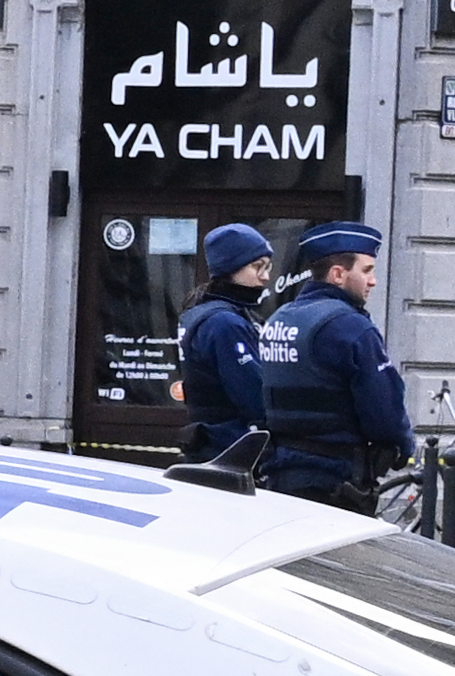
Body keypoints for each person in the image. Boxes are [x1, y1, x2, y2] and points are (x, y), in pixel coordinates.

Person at [249, 216, 415, 510]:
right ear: (338, 274)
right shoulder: (349, 326)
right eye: (366, 271)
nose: (373, 280)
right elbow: (383, 407)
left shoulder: (281, 317)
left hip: (279, 473)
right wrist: (401, 445)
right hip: (334, 480)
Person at [167, 223, 279, 475]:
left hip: (213, 445)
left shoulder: (200, 313)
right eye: (257, 266)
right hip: (233, 448)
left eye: (268, 267)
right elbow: (253, 395)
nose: (265, 276)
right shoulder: (225, 322)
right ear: (230, 268)